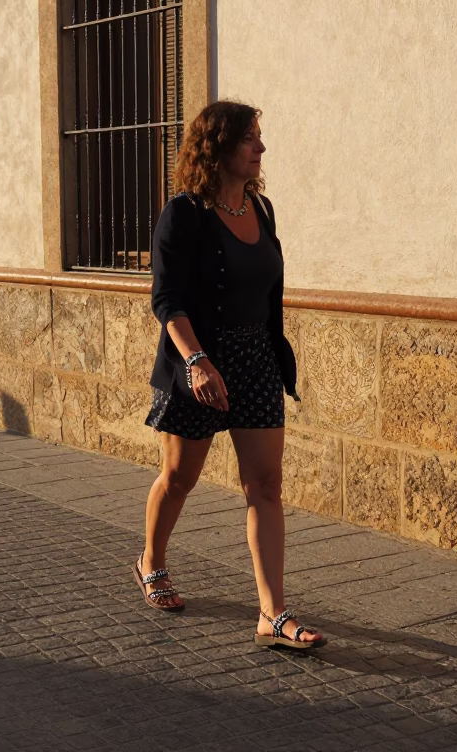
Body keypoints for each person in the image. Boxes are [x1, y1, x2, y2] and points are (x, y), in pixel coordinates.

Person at [133, 100, 326, 650]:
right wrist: (196, 362)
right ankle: (151, 560)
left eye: (259, 137)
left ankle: (273, 612)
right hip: (200, 361)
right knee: (179, 478)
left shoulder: (260, 211)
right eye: (250, 138)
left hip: (257, 360)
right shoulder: (184, 213)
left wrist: (265, 355)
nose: (260, 147)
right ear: (217, 147)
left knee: (264, 485)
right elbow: (167, 299)